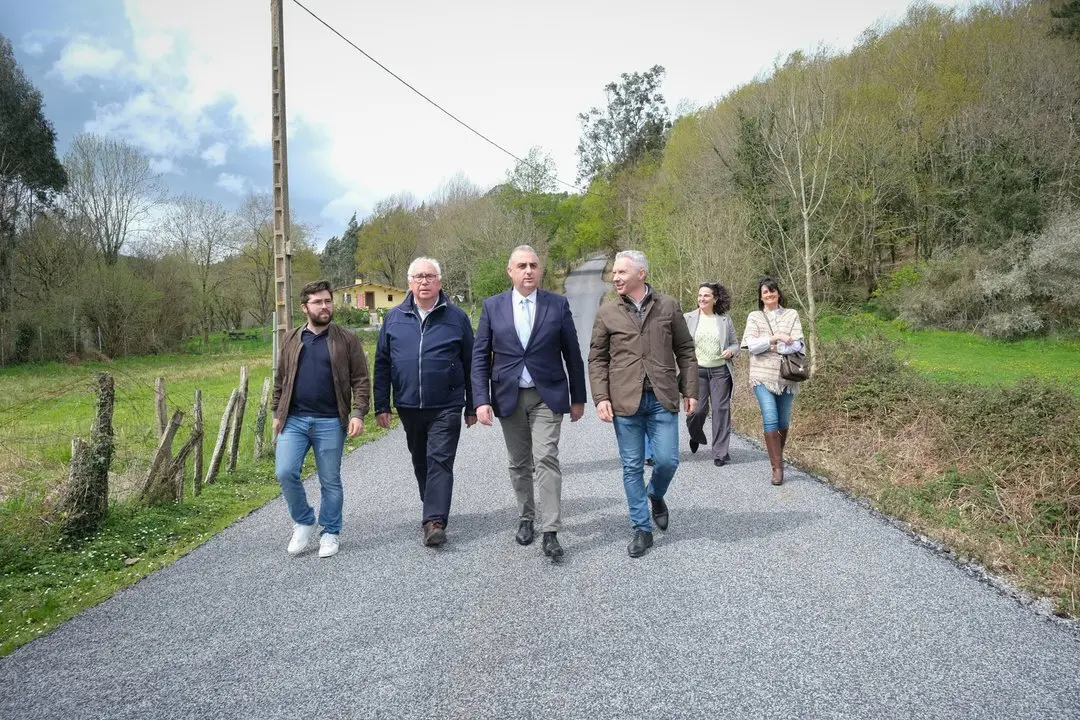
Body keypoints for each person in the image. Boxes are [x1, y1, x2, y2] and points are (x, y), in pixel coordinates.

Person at [471, 245, 587, 559]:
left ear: (540, 270)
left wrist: (579, 398)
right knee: (519, 462)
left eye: (533, 265)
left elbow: (572, 355)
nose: (528, 271)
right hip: (508, 396)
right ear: (510, 271)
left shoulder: (557, 305)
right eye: (521, 265)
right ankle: (526, 516)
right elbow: (480, 356)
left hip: (547, 395)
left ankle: (550, 530)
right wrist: (480, 400)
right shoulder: (492, 307)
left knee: (547, 457)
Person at [588, 250, 698, 558]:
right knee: (632, 466)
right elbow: (597, 359)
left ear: (641, 274)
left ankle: (656, 494)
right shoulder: (607, 312)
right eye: (614, 273)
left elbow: (686, 351)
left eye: (622, 272)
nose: (616, 277)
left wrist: (690, 390)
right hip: (624, 401)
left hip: (662, 397)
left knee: (667, 461)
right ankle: (641, 528)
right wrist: (601, 397)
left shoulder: (668, 306)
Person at [374, 257, 477, 546]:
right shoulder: (393, 318)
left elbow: (471, 363)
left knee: (440, 460)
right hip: (408, 405)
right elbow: (382, 364)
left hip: (446, 404)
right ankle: (432, 502)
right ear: (409, 282)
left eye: (430, 276)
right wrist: (381, 404)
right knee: (421, 461)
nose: (424, 282)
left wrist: (472, 404)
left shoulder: (456, 318)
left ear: (439, 282)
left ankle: (434, 522)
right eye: (418, 276)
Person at [272, 280, 370, 559]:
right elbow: (280, 380)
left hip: (330, 421)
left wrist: (358, 413)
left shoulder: (346, 339)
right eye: (318, 302)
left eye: (328, 301)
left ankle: (330, 532)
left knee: (330, 480)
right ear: (305, 307)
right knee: (285, 472)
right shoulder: (291, 339)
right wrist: (277, 414)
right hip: (294, 420)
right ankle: (303, 520)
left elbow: (361, 379)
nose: (325, 306)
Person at [741, 276, 804, 485]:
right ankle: (777, 468)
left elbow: (797, 344)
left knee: (784, 420)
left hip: (787, 375)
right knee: (770, 417)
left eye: (772, 291)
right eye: (765, 292)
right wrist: (776, 338)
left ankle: (777, 455)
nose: (769, 295)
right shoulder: (754, 317)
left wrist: (766, 344)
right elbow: (751, 345)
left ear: (778, 292)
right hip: (761, 375)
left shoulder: (791, 314)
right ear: (761, 297)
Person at [684, 282, 740, 467]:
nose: (702, 298)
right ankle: (695, 433)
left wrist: (731, 351)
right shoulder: (688, 318)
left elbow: (735, 344)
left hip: (720, 372)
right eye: (700, 295)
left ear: (714, 299)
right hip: (696, 371)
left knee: (721, 410)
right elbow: (681, 345)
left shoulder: (724, 320)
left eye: (706, 296)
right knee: (697, 411)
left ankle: (720, 453)